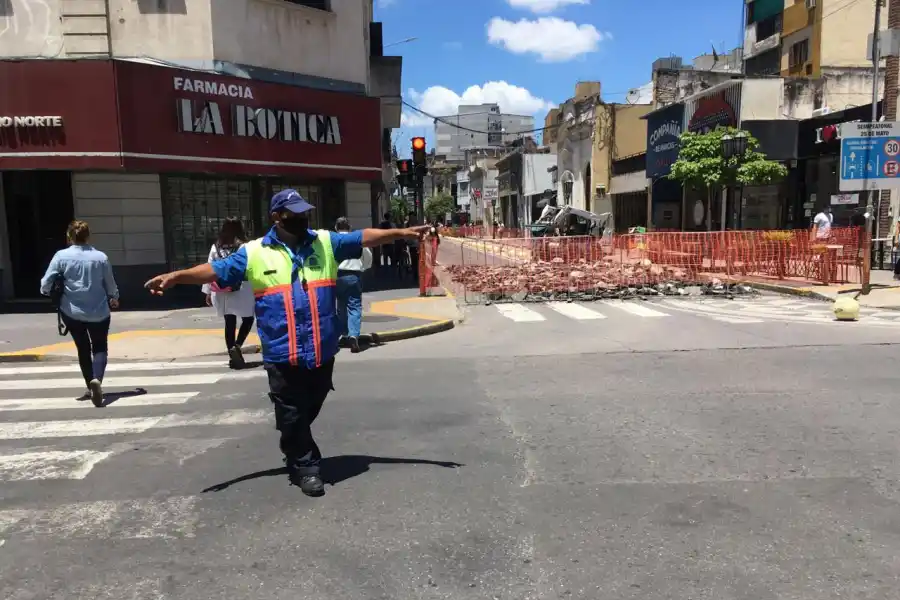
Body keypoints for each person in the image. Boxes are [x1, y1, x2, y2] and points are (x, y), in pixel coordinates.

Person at [143, 189, 429, 497]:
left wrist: (402, 232)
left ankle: (292, 439)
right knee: (292, 411)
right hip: (282, 350)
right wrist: (176, 276)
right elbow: (214, 270)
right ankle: (306, 467)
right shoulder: (253, 252)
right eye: (294, 214)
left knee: (309, 406)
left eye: (304, 212)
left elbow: (363, 238)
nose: (302, 219)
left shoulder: (325, 242)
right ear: (276, 217)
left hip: (321, 349)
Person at [40, 220, 119, 407]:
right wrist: (114, 297)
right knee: (99, 347)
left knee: (82, 348)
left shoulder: (61, 256)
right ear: (88, 236)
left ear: (69, 236)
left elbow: (46, 282)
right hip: (99, 310)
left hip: (72, 311)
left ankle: (89, 385)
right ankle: (97, 379)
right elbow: (110, 282)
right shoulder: (101, 257)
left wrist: (46, 291)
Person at [203, 218, 256, 369]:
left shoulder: (216, 247)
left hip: (220, 288)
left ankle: (231, 354)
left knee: (229, 321)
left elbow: (209, 269)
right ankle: (237, 346)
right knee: (248, 318)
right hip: (241, 288)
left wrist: (207, 291)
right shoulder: (244, 246)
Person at [334, 217, 372, 352]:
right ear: (349, 227)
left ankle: (344, 333)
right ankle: (353, 335)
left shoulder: (332, 239)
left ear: (336, 227)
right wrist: (363, 267)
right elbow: (367, 258)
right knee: (354, 305)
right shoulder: (355, 239)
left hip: (336, 275)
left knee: (341, 306)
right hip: (353, 275)